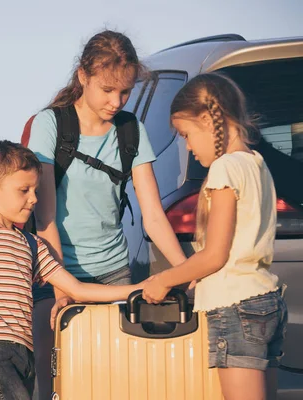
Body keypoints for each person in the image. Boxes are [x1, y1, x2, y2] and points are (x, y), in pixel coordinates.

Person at [0, 140, 143, 400]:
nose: (33, 198)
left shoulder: (34, 245)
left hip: (24, 352)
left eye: (35, 190)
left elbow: (76, 288)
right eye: (24, 190)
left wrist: (141, 288)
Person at [26, 30, 187, 399]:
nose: (117, 101)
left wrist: (186, 274)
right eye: (107, 89)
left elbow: (154, 216)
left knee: (115, 386)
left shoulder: (131, 130)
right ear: (83, 76)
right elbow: (45, 214)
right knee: (59, 388)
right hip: (56, 276)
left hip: (115, 276)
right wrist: (62, 288)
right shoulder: (51, 124)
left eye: (125, 91)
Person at [142, 73, 288, 400]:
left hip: (236, 307)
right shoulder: (257, 163)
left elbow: (215, 255)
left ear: (208, 120)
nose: (189, 147)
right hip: (267, 300)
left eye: (187, 135)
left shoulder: (224, 169)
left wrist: (165, 279)